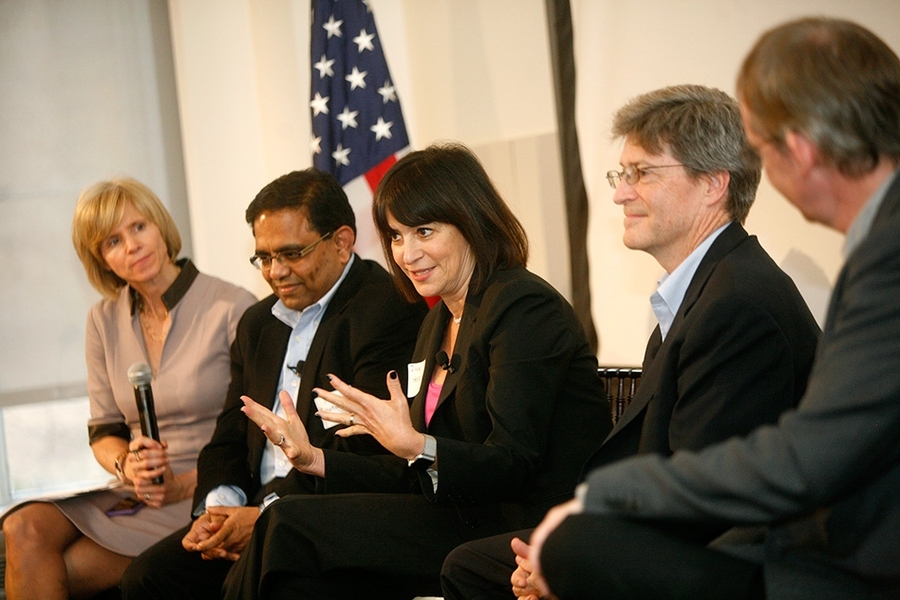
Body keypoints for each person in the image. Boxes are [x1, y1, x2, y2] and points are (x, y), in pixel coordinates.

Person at [525, 17, 900, 600]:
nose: (622, 192)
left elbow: (806, 460)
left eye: (641, 173)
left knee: (577, 548)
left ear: (796, 149)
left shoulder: (874, 258)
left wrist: (602, 501)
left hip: (857, 563)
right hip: (829, 537)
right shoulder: (877, 244)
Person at [440, 85, 822, 600]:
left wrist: (576, 557)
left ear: (712, 184)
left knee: (477, 567)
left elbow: (704, 497)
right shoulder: (707, 289)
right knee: (477, 564)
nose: (621, 193)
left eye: (641, 173)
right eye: (622, 175)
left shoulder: (738, 304)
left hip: (744, 562)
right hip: (683, 531)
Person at [217, 141, 609, 599]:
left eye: (424, 231)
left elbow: (515, 461)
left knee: (288, 525)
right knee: (293, 541)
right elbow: (414, 469)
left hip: (519, 522)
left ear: (471, 220)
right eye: (397, 236)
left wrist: (418, 444)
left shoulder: (522, 306)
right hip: (456, 512)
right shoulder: (437, 321)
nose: (406, 254)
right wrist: (314, 460)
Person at [119, 168, 428, 599]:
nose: (275, 271)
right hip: (253, 508)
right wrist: (218, 511)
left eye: (291, 253)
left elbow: (362, 451)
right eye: (263, 257)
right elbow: (229, 436)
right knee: (148, 578)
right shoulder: (257, 323)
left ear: (341, 243)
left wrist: (263, 514)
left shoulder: (385, 308)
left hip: (322, 516)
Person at [0, 178, 256, 599]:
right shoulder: (102, 320)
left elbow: (257, 433)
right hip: (137, 492)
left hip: (207, 489)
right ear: (101, 260)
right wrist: (125, 464)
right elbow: (103, 431)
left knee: (42, 573)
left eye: (139, 228)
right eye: (113, 241)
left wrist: (186, 483)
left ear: (160, 226)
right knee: (21, 528)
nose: (132, 246)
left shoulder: (233, 306)